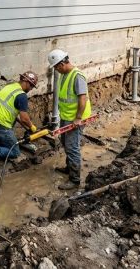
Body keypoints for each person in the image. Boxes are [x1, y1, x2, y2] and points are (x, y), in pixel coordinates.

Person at [47, 49, 92, 190]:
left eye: (55, 67)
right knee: (66, 143)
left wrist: (78, 118)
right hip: (67, 116)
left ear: (61, 64)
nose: (56, 70)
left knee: (72, 147)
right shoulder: (65, 74)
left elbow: (82, 99)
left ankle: (75, 180)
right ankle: (69, 168)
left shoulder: (77, 76)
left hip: (75, 119)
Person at [0, 72, 39, 164]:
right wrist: (32, 127)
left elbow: (11, 110)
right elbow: (24, 118)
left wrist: (25, 126)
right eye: (32, 86)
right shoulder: (22, 96)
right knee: (15, 152)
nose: (31, 89)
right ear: (27, 82)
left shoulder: (11, 86)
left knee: (10, 127)